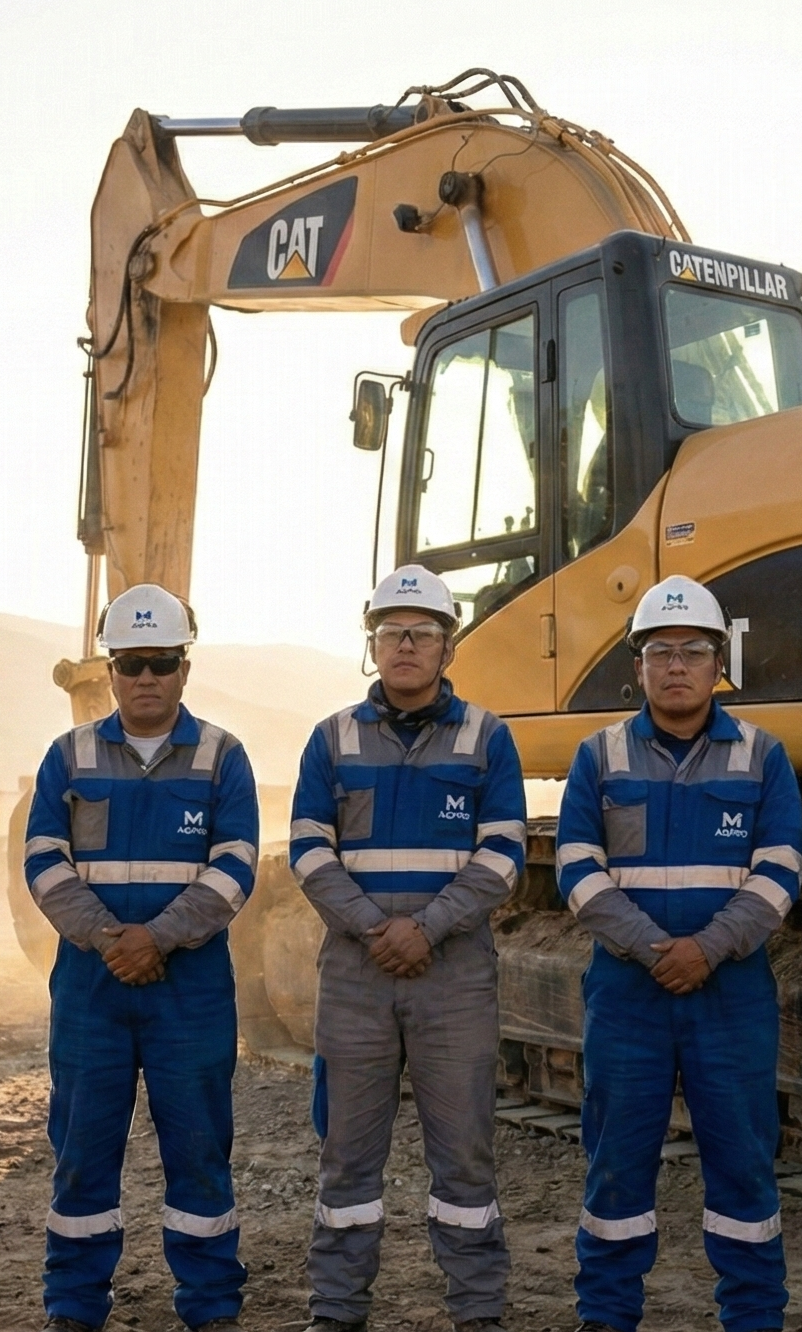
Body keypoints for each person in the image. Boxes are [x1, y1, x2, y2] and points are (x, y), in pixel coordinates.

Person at [554, 575, 799, 1332]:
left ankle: (752, 1317)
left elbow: (780, 869)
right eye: (659, 650)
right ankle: (606, 1315)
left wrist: (708, 949)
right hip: (629, 995)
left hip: (728, 994)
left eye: (693, 650)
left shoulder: (762, 756)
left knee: (742, 1162)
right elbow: (576, 869)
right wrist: (657, 948)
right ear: (638, 666)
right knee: (616, 1161)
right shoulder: (598, 756)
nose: (676, 665)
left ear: (718, 661)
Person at [287, 565, 524, 1332]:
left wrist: (425, 927)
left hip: (450, 975)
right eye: (391, 633)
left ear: (448, 647)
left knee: (463, 1157)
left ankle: (477, 1313)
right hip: (357, 977)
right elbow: (308, 854)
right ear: (372, 644)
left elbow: (501, 857)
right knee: (347, 1159)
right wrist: (372, 928)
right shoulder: (331, 739)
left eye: (422, 633)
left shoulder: (486, 738)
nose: (406, 646)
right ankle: (336, 1311)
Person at [23, 583, 258, 1332]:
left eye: (161, 662)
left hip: (188, 988)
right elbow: (43, 863)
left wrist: (155, 939)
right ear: (110, 671)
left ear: (184, 668)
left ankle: (210, 1305)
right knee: (83, 1149)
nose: (146, 678)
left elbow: (234, 867)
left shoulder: (224, 756)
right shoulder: (68, 756)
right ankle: (73, 1305)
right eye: (131, 663)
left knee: (198, 1147)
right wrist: (107, 939)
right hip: (92, 987)